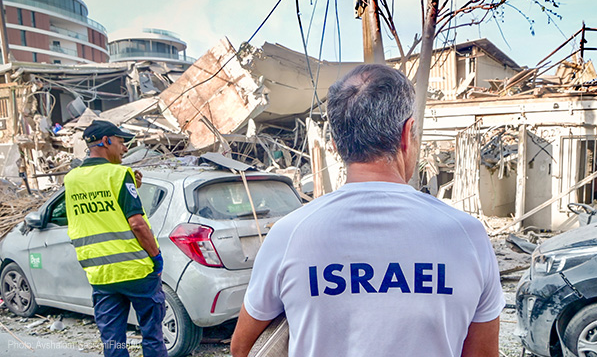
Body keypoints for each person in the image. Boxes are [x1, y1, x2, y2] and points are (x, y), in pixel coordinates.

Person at [231, 64, 503, 356]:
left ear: (335, 145)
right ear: (406, 133)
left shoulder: (289, 235)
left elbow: (242, 348)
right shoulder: (467, 236)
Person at [65, 120, 167, 357]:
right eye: (121, 142)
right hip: (136, 270)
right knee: (152, 337)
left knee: (113, 342)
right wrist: (157, 258)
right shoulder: (119, 174)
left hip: (101, 274)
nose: (124, 149)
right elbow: (137, 224)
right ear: (105, 141)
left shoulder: (71, 179)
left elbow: (96, 213)